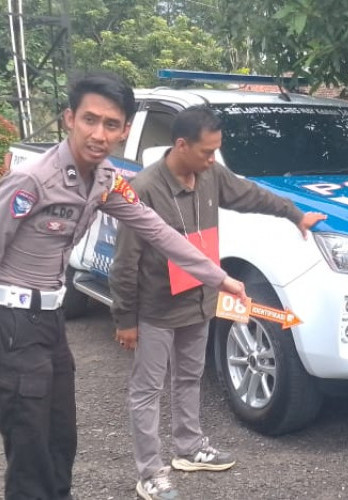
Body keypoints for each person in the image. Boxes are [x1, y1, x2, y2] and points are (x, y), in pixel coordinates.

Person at [0, 72, 246, 500]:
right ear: (69, 118)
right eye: (89, 120)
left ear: (125, 130)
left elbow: (159, 230)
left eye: (111, 124)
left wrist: (219, 278)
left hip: (51, 320)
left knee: (61, 435)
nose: (99, 134)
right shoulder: (33, 180)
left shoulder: (106, 180)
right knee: (29, 438)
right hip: (14, 321)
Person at [109, 105, 326, 500]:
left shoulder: (211, 175)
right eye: (207, 152)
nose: (213, 160)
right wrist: (126, 318)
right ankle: (150, 472)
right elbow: (125, 262)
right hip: (156, 308)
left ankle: (189, 448)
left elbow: (253, 195)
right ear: (181, 145)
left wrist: (294, 215)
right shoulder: (144, 189)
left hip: (200, 300)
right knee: (147, 390)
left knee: (189, 376)